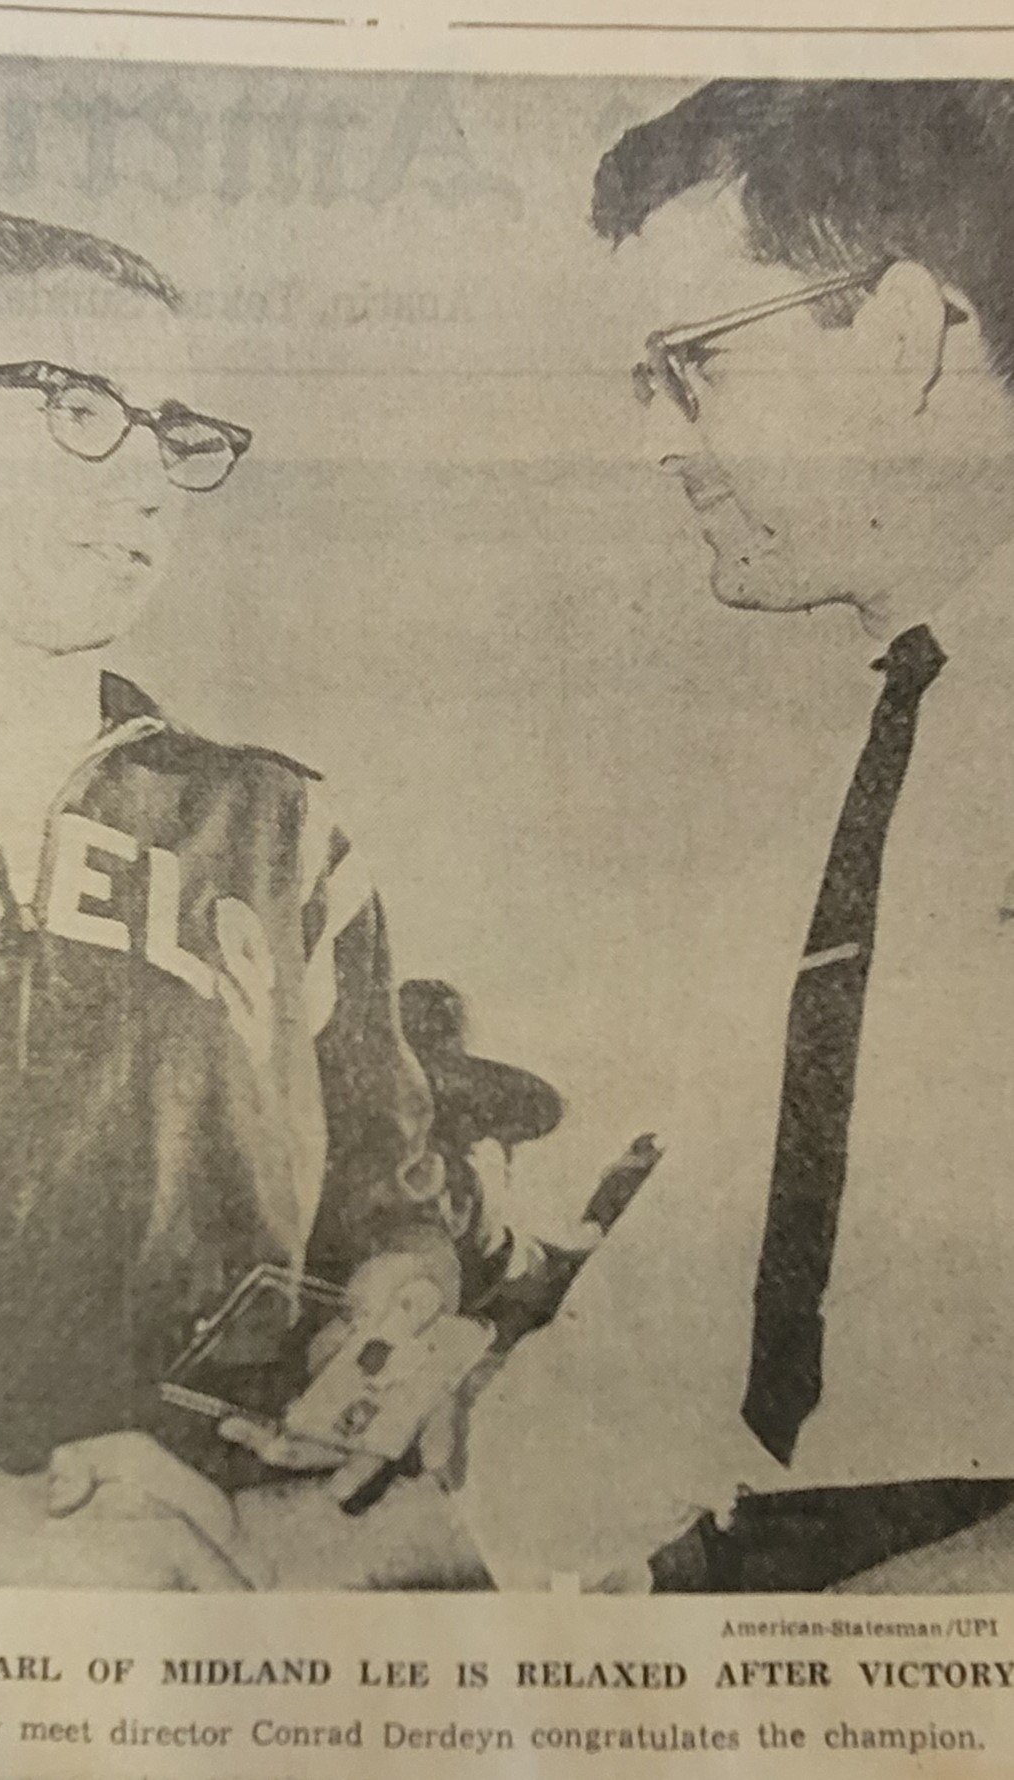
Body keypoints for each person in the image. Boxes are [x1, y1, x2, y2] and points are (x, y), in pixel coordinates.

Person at [0, 206, 458, 1591]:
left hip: (217, 1611)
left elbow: (393, 1214)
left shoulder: (285, 826)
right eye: (75, 407)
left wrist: (395, 1327)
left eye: (170, 430)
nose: (152, 478)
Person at [455, 77, 1014, 1592]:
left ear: (906, 334)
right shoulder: (865, 791)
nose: (656, 444)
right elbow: (695, 1321)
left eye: (690, 365)